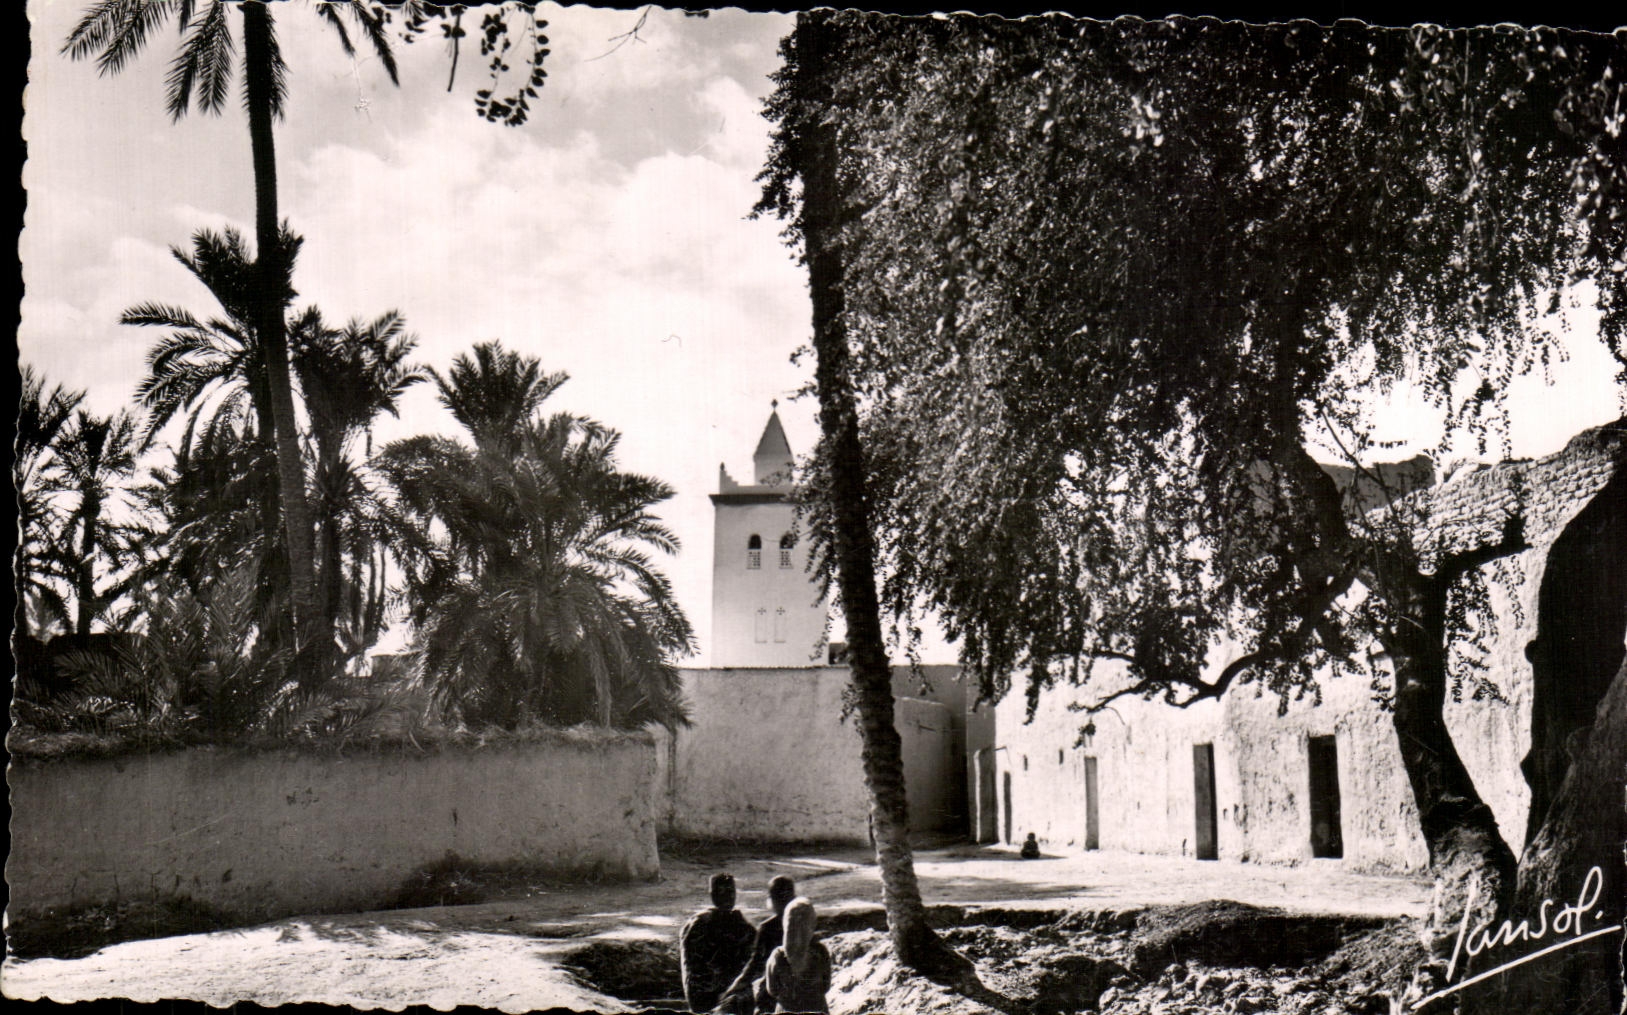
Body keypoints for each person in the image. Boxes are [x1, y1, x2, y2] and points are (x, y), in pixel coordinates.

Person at [713, 875, 797, 1014]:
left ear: (772, 900)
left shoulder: (768, 928)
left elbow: (754, 966)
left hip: (774, 993)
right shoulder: (804, 923)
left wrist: (732, 988)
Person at [679, 873, 756, 1013]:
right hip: (706, 996)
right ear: (712, 895)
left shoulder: (739, 923)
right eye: (722, 892)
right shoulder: (699, 925)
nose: (728, 897)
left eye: (731, 892)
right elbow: (697, 971)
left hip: (724, 993)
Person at [762, 897, 831, 1014]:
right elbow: (826, 986)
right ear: (812, 924)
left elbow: (772, 990)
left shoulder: (778, 956)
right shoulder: (820, 952)